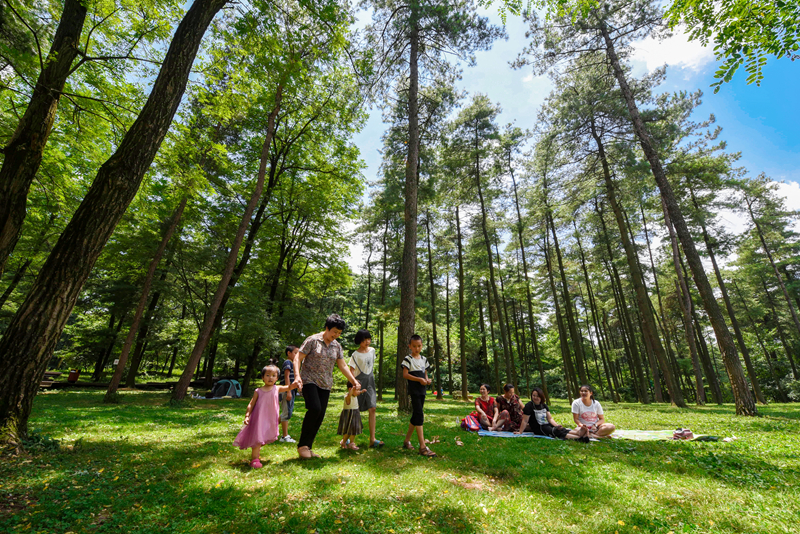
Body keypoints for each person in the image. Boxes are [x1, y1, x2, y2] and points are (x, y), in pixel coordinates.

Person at [293, 314, 360, 459]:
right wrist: (297, 376)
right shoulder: (313, 340)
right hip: (309, 380)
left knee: (320, 415)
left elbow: (342, 365)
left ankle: (308, 447)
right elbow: (298, 358)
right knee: (315, 409)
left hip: (326, 384)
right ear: (327, 328)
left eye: (339, 333)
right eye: (334, 332)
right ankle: (302, 446)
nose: (336, 335)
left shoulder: (337, 346)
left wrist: (353, 381)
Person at [233, 365, 298, 468]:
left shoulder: (277, 388)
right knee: (257, 438)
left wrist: (295, 384)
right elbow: (251, 404)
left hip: (270, 419)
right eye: (267, 375)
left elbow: (289, 387)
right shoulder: (258, 391)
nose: (270, 378)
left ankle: (257, 448)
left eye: (273, 375)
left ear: (277, 378)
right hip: (259, 418)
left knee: (263, 437)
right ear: (262, 377)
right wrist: (247, 416)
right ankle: (255, 460)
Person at [401, 334, 436, 457]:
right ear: (410, 346)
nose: (417, 348)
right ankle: (422, 447)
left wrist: (427, 380)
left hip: (422, 391)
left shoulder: (424, 359)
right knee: (420, 415)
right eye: (414, 346)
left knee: (416, 416)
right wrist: (418, 380)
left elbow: (425, 373)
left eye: (419, 346)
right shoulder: (408, 359)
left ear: (422, 346)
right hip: (414, 391)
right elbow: (405, 374)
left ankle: (406, 441)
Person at [348, 329, 383, 448]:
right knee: (355, 411)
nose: (367, 342)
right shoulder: (355, 355)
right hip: (358, 382)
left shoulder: (372, 351)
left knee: (372, 408)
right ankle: (348, 439)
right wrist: (354, 384)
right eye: (364, 340)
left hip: (370, 382)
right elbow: (351, 371)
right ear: (359, 341)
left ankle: (372, 439)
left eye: (368, 339)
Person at [279, 345, 299, 443]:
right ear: (289, 353)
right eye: (295, 353)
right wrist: (288, 391)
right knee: (286, 413)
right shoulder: (288, 362)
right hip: (286, 390)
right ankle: (284, 436)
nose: (297, 355)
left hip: (291, 390)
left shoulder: (293, 364)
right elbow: (286, 377)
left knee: (287, 412)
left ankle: (269, 429)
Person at [338, 381, 365, 450]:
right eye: (357, 390)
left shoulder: (354, 395)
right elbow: (349, 395)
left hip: (355, 413)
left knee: (354, 430)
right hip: (349, 415)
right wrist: (353, 387)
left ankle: (351, 443)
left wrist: (361, 391)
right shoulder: (348, 397)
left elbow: (357, 393)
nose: (358, 392)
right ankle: (343, 442)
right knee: (348, 430)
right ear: (351, 389)